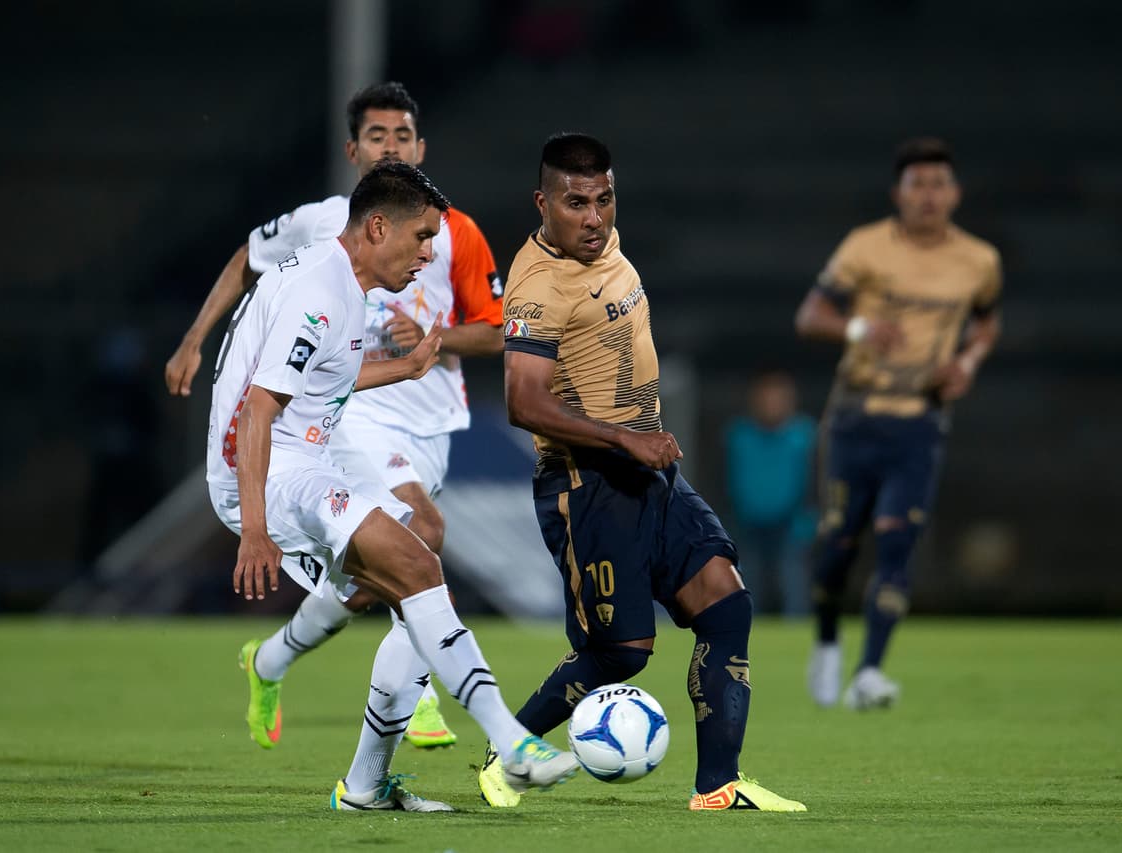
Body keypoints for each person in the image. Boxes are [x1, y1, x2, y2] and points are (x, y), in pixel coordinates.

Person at [206, 160, 578, 810]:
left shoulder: (347, 285)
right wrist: (256, 527)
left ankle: (360, 778)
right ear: (378, 227)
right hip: (266, 468)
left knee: (399, 580)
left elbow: (323, 380)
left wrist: (403, 367)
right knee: (414, 559)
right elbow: (258, 409)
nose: (429, 253)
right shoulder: (322, 291)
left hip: (306, 453)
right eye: (421, 237)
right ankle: (512, 742)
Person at [166, 82, 505, 755]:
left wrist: (435, 340)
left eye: (402, 137)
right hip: (349, 419)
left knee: (362, 584)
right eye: (376, 136)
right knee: (421, 534)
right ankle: (425, 702)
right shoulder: (324, 226)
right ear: (353, 150)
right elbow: (245, 259)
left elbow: (497, 331)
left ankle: (270, 660)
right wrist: (193, 338)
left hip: (429, 417)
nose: (389, 147)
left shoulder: (448, 231)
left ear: (420, 148)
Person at [478, 133, 806, 813]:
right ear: (543, 203)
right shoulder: (538, 285)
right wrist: (624, 438)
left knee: (727, 602)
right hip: (587, 484)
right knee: (621, 651)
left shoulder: (604, 243)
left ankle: (718, 785)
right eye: (575, 203)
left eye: (603, 199)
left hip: (649, 474)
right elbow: (522, 400)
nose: (593, 217)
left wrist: (638, 445)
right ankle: (506, 751)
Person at [795, 137, 1003, 710]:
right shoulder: (866, 247)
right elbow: (811, 315)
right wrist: (860, 330)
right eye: (918, 184)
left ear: (955, 193)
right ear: (899, 194)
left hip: (920, 421)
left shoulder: (978, 260)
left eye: (940, 183)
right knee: (838, 543)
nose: (930, 195)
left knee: (896, 541)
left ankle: (868, 674)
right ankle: (829, 639)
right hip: (857, 415)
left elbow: (986, 324)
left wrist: (965, 362)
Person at [724, 370, 816, 617]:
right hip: (747, 524)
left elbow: (816, 480)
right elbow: (723, 479)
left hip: (792, 526)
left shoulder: (804, 434)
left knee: (793, 584)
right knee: (746, 586)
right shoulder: (738, 435)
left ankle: (797, 641)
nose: (771, 404)